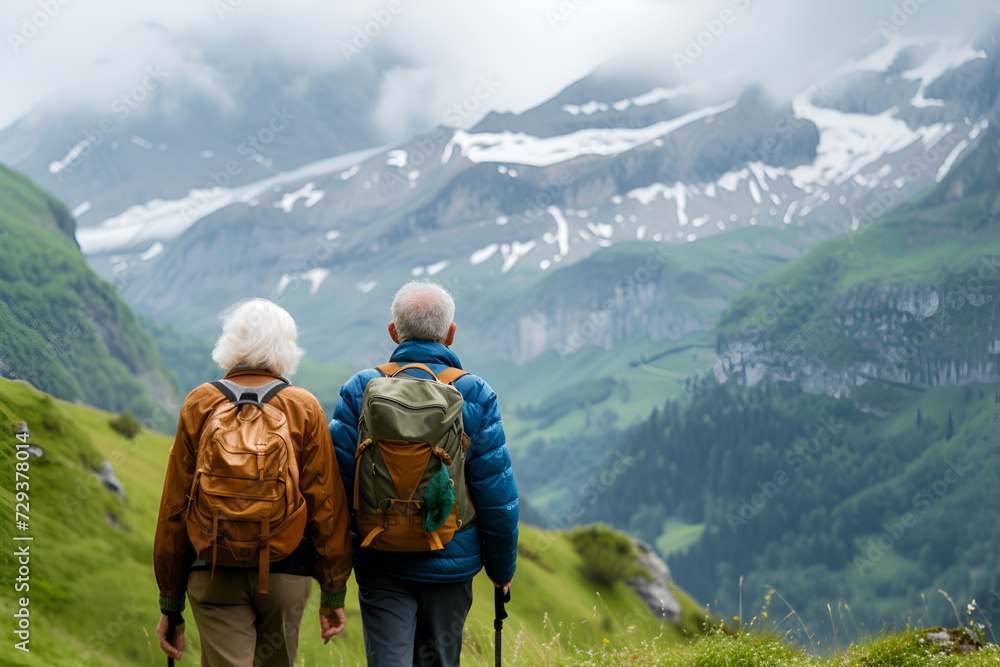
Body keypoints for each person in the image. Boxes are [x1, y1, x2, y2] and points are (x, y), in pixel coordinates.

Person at [153, 298, 352, 666]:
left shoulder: (200, 402)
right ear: (286, 349)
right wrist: (333, 591)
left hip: (211, 569)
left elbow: (175, 506)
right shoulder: (303, 406)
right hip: (285, 572)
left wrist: (170, 602)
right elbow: (326, 504)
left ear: (230, 344)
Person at [330, 280, 518, 667]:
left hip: (381, 556)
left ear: (393, 332)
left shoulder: (361, 388)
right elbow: (496, 493)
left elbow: (338, 486)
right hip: (451, 555)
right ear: (450, 334)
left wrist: (332, 574)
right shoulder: (475, 393)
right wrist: (502, 570)